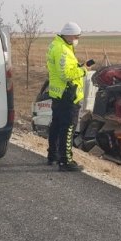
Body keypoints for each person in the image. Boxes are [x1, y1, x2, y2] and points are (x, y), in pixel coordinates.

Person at [46, 21, 95, 171]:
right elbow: (66, 74)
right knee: (68, 128)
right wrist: (84, 70)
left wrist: (78, 66)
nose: (77, 39)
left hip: (57, 93)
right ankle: (65, 161)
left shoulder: (56, 45)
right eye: (76, 36)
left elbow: (64, 69)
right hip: (67, 95)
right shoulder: (63, 50)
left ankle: (53, 155)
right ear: (68, 35)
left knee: (56, 125)